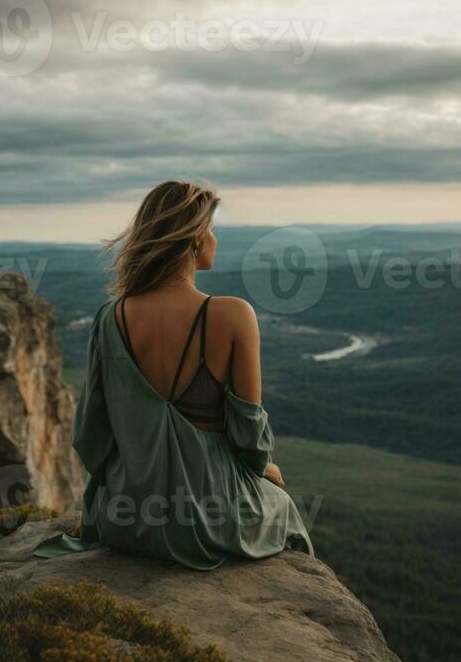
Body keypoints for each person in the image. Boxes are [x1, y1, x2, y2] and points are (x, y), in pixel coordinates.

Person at [34, 179, 314, 569]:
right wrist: (262, 468)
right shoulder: (234, 315)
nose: (215, 238)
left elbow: (91, 434)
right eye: (211, 229)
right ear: (195, 238)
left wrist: (102, 506)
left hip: (127, 518)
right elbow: (248, 432)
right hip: (209, 522)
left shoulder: (109, 318)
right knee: (284, 509)